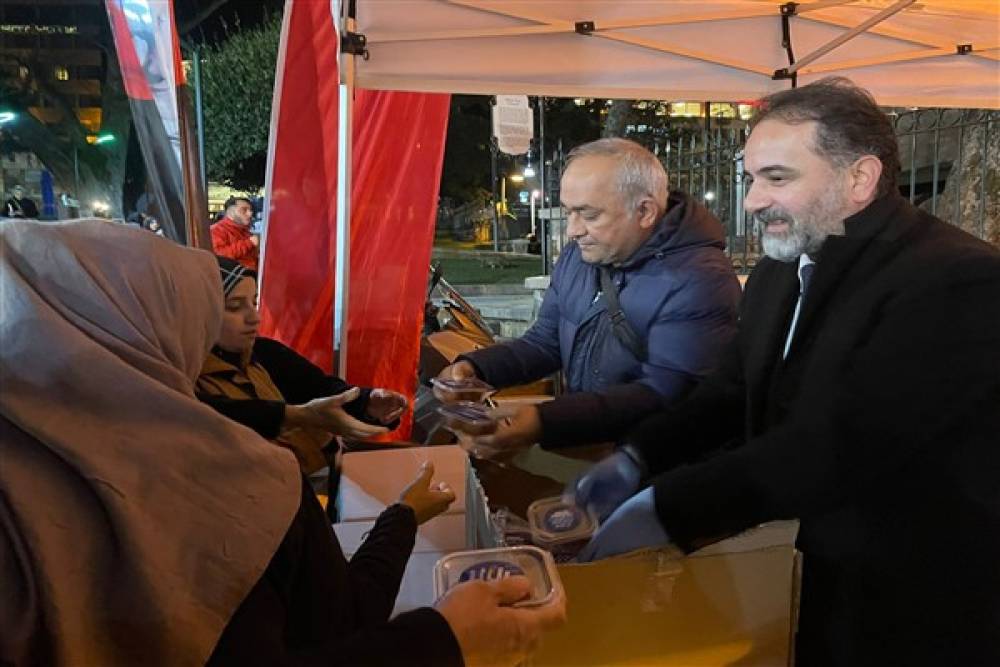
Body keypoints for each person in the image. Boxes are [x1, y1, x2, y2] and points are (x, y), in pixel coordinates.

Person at [0, 219, 565, 667]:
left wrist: (359, 402)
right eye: (212, 313)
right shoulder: (230, 479)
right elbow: (345, 619)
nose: (246, 321)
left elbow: (329, 392)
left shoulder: (22, 495)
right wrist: (446, 639)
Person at [572, 78, 1000, 666]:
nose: (750, 200)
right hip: (798, 571)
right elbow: (730, 391)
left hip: (911, 601)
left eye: (778, 178)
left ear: (860, 179)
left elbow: (840, 446)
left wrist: (667, 508)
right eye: (752, 178)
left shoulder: (958, 280)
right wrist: (639, 456)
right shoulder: (783, 269)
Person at [438, 138, 740, 453]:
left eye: (589, 215)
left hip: (659, 466)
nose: (573, 230)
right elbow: (544, 341)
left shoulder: (700, 279)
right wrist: (476, 368)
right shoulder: (578, 255)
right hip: (595, 446)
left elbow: (665, 393)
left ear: (645, 211)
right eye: (569, 212)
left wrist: (544, 421)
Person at [197, 257, 406, 514]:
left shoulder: (265, 353)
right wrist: (299, 416)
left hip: (317, 496)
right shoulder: (185, 378)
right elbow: (226, 417)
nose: (254, 318)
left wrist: (368, 402)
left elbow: (320, 388)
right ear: (199, 311)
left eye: (254, 302)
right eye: (234, 307)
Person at [211, 196, 259, 270]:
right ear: (230, 212)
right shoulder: (217, 230)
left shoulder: (245, 230)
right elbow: (220, 256)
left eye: (250, 210)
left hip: (251, 274)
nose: (250, 214)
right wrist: (249, 243)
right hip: (236, 277)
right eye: (244, 210)